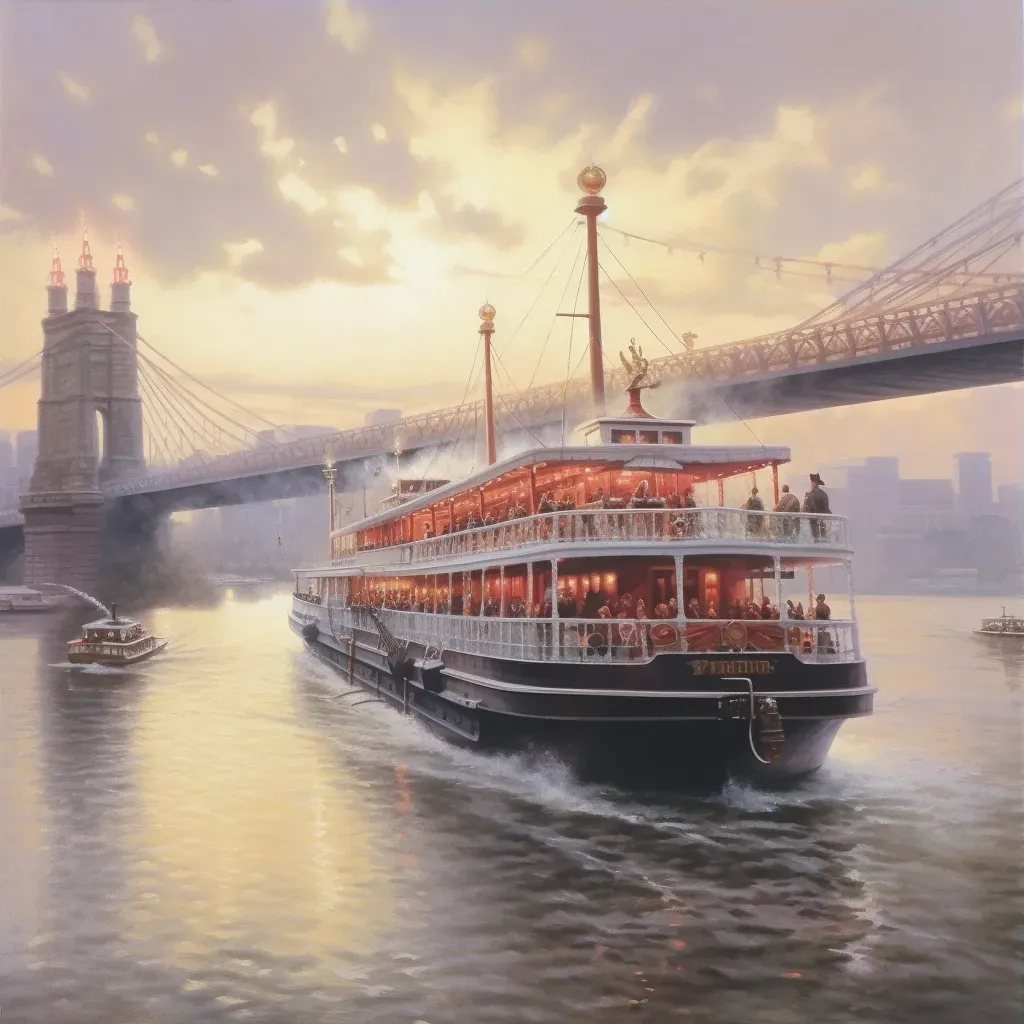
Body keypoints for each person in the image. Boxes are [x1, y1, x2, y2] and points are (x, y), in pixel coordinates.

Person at [802, 473, 831, 540]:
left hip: (813, 521)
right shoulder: (824, 494)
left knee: (815, 537)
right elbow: (827, 510)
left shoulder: (809, 495)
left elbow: (805, 509)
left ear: (814, 483)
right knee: (824, 537)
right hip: (822, 521)